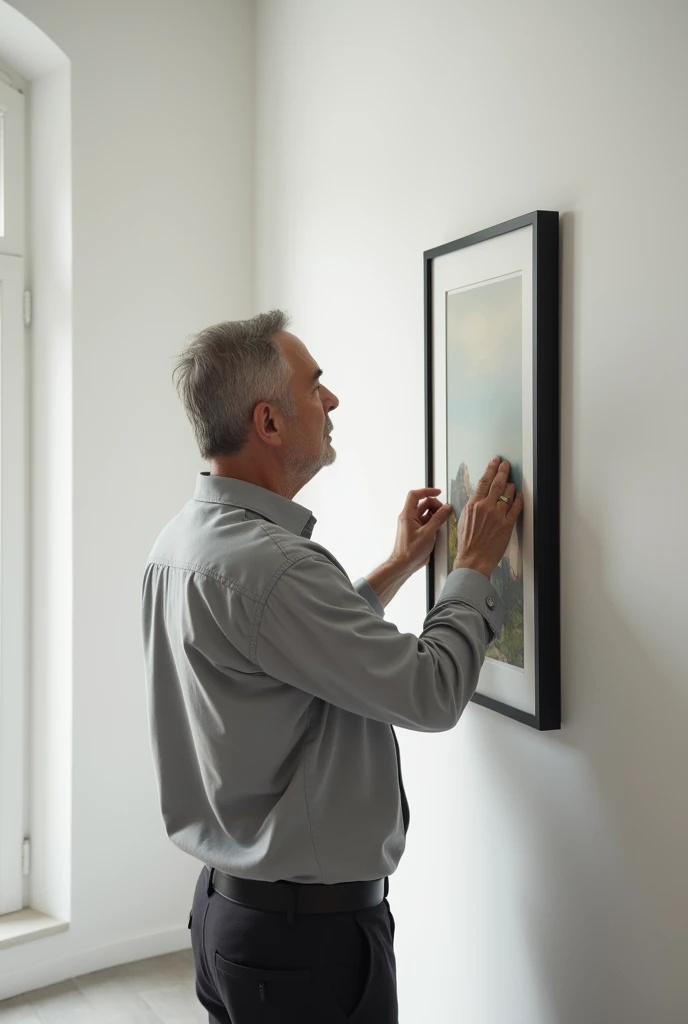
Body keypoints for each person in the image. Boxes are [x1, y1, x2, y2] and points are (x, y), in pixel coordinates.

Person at [141, 310, 523, 1024]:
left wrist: (398, 566)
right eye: (316, 385)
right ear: (270, 422)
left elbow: (289, 654)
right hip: (304, 944)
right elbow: (430, 692)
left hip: (233, 917)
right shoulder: (272, 565)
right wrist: (472, 566)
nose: (333, 400)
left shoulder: (183, 541)